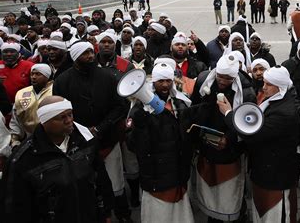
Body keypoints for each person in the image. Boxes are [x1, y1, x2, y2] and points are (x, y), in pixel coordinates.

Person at [1, 96, 114, 223]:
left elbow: (101, 180)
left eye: (70, 115)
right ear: (45, 122)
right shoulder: (24, 159)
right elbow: (15, 208)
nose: (69, 120)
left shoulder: (85, 141)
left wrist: (106, 213)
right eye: (61, 117)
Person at [52, 42, 131, 222]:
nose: (90, 56)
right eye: (85, 53)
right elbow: (60, 112)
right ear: (75, 57)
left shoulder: (108, 76)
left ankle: (123, 214)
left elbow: (120, 107)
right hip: (78, 143)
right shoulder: (62, 81)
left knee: (116, 181)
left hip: (108, 139)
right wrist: (81, 131)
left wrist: (100, 128)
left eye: (91, 52)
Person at [217, 66, 300, 223]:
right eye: (264, 83)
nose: (264, 87)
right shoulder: (277, 101)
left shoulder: (284, 112)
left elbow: (254, 134)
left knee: (274, 214)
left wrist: (228, 113)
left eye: (268, 84)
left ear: (280, 87)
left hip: (276, 176)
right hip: (266, 171)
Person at [190, 55, 256, 222]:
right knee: (211, 190)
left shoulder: (247, 92)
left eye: (228, 78)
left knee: (230, 192)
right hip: (207, 146)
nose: (222, 81)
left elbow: (247, 124)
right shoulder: (204, 81)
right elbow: (194, 110)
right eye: (220, 76)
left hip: (231, 151)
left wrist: (229, 139)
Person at [128, 63, 195, 223]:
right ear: (153, 82)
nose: (165, 85)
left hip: (178, 171)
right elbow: (132, 145)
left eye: (168, 80)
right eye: (160, 81)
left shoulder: (180, 103)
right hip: (155, 174)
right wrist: (140, 127)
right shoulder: (139, 108)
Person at [10, 64, 53, 142]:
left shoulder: (55, 90)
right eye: (32, 74)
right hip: (28, 138)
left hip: (52, 137)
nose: (33, 77)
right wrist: (15, 139)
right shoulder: (21, 93)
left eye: (38, 74)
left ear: (47, 76)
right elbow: (16, 119)